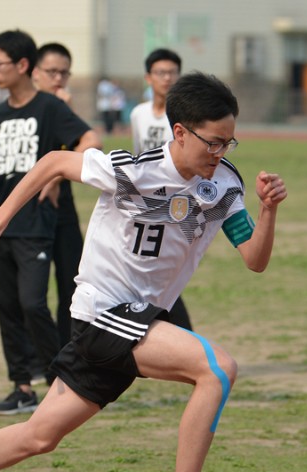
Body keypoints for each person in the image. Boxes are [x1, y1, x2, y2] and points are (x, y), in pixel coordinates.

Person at [0, 71, 287, 472]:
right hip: (103, 313)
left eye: (229, 143)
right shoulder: (131, 170)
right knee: (217, 369)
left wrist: (267, 211)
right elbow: (55, 162)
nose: (220, 153)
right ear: (180, 132)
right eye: (214, 142)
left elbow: (255, 260)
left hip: (135, 322)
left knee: (38, 437)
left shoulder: (222, 186)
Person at [0, 30, 101, 415]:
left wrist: (60, 173)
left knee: (33, 303)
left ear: (22, 65)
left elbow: (89, 140)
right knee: (6, 304)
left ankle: (58, 377)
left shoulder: (49, 108)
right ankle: (22, 386)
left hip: (37, 224)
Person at [31, 42, 96, 354]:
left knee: (72, 287)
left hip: (62, 210)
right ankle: (39, 359)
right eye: (51, 71)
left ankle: (68, 354)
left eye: (64, 72)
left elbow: (88, 144)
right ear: (34, 72)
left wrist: (57, 175)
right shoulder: (28, 108)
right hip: (29, 214)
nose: (58, 78)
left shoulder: (62, 109)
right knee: (31, 296)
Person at [129, 48, 193, 329]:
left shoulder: (187, 118)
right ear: (148, 77)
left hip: (175, 205)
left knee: (162, 273)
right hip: (144, 205)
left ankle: (180, 335)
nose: (167, 78)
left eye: (172, 73)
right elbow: (136, 157)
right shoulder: (139, 114)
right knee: (147, 271)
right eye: (160, 72)